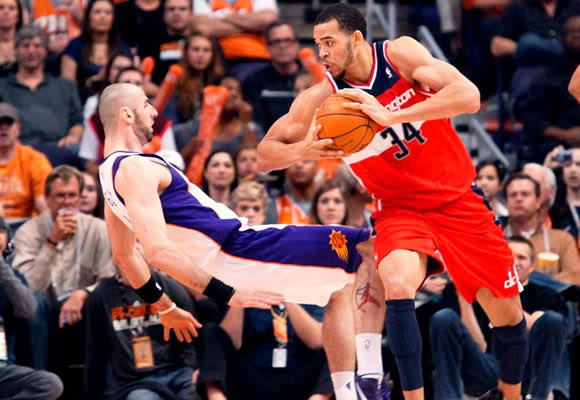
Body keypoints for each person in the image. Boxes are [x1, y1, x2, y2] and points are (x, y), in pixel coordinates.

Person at [256, 4, 528, 400]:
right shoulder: (322, 99)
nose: (322, 53)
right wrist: (304, 150)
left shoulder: (399, 54)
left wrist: (389, 116)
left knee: (509, 316)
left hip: (458, 198)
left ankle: (510, 394)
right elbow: (265, 154)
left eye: (329, 42)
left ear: (356, 38)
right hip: (400, 210)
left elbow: (468, 96)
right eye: (317, 44)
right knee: (397, 282)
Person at [429, 236, 570, 400]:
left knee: (553, 320)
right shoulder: (482, 292)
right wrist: (463, 292)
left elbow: (542, 324)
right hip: (489, 368)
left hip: (529, 369)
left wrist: (502, 300)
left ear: (532, 265)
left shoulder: (545, 294)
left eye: (521, 258)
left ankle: (540, 397)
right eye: (509, 256)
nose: (515, 262)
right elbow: (480, 345)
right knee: (444, 317)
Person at [85, 267, 201, 400]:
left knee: (194, 391)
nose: (136, 253)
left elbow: (192, 338)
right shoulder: (101, 294)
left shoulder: (170, 287)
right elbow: (96, 349)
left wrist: (195, 368)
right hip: (135, 380)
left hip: (176, 371)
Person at [0, 214, 64, 400]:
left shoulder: (11, 278)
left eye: (1, 232)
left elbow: (29, 310)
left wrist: (2, 267)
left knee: (50, 384)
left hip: (4, 371)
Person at [0, 25, 84, 149]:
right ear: (16, 50)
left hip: (59, 148)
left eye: (37, 46)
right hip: (15, 150)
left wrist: (73, 136)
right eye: (25, 46)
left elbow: (77, 121)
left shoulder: (65, 86)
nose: (31, 51)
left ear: (46, 51)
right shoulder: (2, 86)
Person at [503, 173, 580, 285]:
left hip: (549, 296)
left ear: (538, 201)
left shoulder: (562, 239)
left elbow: (574, 276)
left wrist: (533, 285)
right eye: (513, 195)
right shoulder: (495, 240)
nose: (519, 199)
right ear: (506, 202)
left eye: (525, 194)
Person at [242, 20, 302, 132]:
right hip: (268, 138)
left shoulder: (311, 76)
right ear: (267, 47)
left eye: (287, 40)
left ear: (296, 44)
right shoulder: (254, 81)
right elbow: (256, 124)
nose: (282, 46)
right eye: (276, 41)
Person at [61, 0, 128, 95]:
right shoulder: (75, 46)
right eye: (97, 12)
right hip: (81, 99)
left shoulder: (123, 49)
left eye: (108, 13)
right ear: (88, 16)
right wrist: (93, 81)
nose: (102, 16)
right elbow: (66, 87)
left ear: (113, 18)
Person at [0, 103, 51, 223]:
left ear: (18, 129)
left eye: (8, 122)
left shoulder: (34, 160)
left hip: (25, 225)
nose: (3, 127)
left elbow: (43, 204)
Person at [174, 31, 224, 123]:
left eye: (206, 50)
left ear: (213, 54)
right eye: (195, 49)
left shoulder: (221, 81)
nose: (200, 55)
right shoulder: (176, 81)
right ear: (186, 52)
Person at [0, 0, 22, 77]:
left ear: (18, 15)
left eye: (11, 8)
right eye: (1, 7)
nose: (6, 12)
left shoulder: (27, 44)